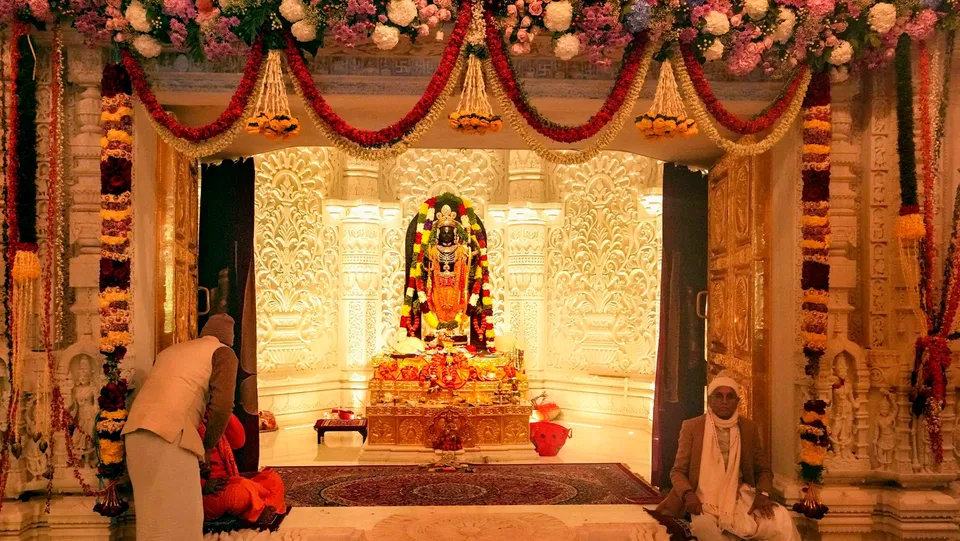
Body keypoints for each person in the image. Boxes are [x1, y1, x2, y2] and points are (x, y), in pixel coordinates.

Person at [122, 314, 239, 541]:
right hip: (170, 435)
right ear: (228, 339)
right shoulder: (223, 353)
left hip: (135, 433)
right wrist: (207, 446)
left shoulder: (170, 351)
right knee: (182, 518)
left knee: (151, 519)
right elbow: (223, 405)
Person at [657, 372, 800, 541]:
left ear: (737, 401)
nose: (724, 401)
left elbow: (763, 470)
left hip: (739, 496)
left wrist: (764, 495)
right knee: (707, 530)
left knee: (781, 519)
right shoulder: (693, 427)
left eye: (730, 397)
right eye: (719, 396)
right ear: (710, 400)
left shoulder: (747, 428)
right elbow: (678, 471)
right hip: (702, 499)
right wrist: (688, 494)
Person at [200, 413, 287, 523]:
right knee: (242, 490)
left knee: (273, 479)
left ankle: (254, 508)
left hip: (229, 480)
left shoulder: (212, 419)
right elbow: (176, 474)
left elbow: (238, 442)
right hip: (205, 494)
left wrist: (224, 411)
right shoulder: (185, 426)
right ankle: (255, 511)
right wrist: (203, 484)